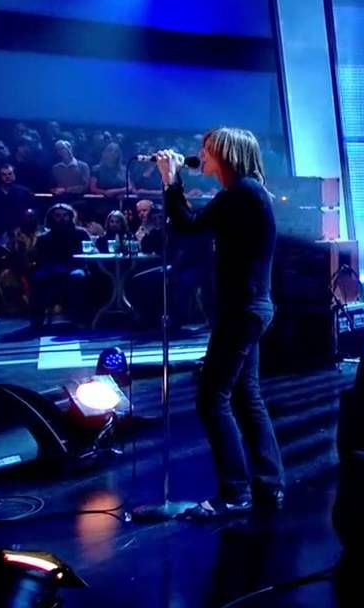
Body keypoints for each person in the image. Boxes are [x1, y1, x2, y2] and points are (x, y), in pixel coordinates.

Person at [156, 127, 283, 519]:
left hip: (241, 310)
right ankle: (268, 485)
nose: (201, 154)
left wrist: (171, 181)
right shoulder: (246, 193)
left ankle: (235, 493)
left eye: (207, 149)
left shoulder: (241, 194)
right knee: (246, 396)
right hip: (249, 307)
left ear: (228, 154)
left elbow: (187, 225)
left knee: (212, 398)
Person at [30, 203, 91, 330]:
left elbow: (89, 251)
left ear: (70, 216)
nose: (62, 218)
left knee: (77, 276)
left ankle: (79, 318)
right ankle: (37, 320)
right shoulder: (43, 238)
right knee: (37, 277)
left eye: (65, 215)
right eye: (58, 216)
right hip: (51, 268)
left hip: (75, 266)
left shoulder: (81, 233)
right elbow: (39, 258)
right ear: (51, 218)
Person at [0, 164, 35, 235]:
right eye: (4, 174)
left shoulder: (25, 191)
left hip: (20, 231)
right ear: (0, 176)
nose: (7, 176)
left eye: (10, 174)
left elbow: (32, 210)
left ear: (14, 175)